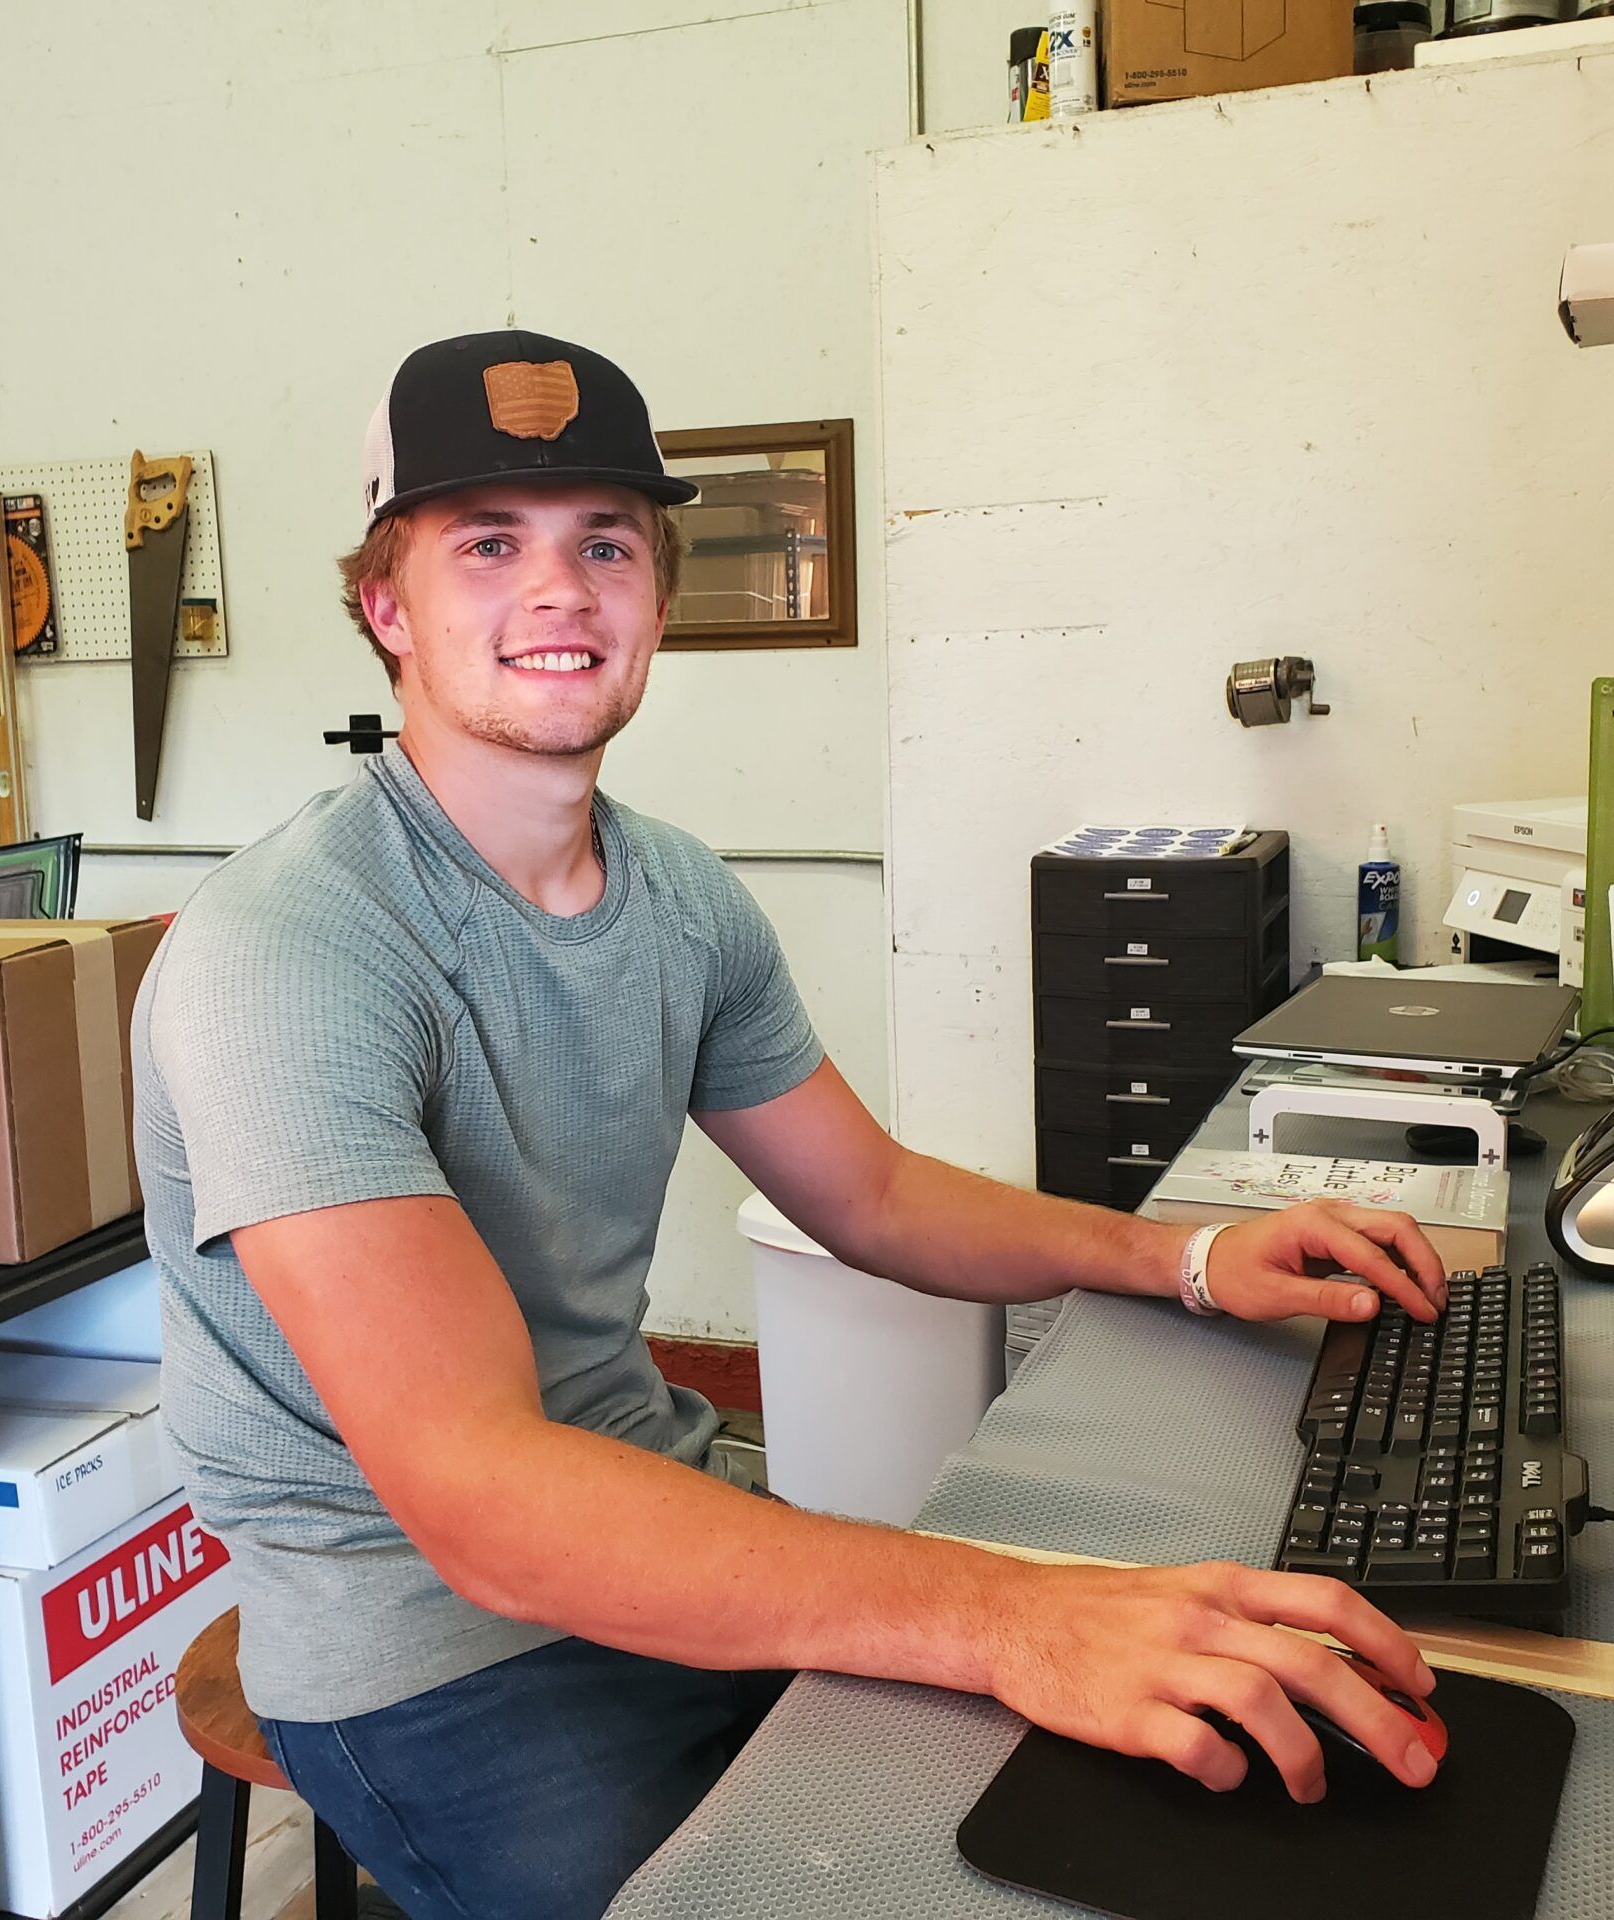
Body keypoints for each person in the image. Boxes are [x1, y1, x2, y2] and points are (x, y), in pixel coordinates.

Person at [133, 330, 1450, 1920]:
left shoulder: (679, 896)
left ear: (660, 601)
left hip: (653, 1519)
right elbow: (476, 1496)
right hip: (425, 1640)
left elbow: (876, 1196)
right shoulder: (293, 950)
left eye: (603, 543)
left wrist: (1185, 1256)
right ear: (386, 607)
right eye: (488, 544)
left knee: (1061, 1834)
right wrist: (1010, 1617)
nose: (559, 590)